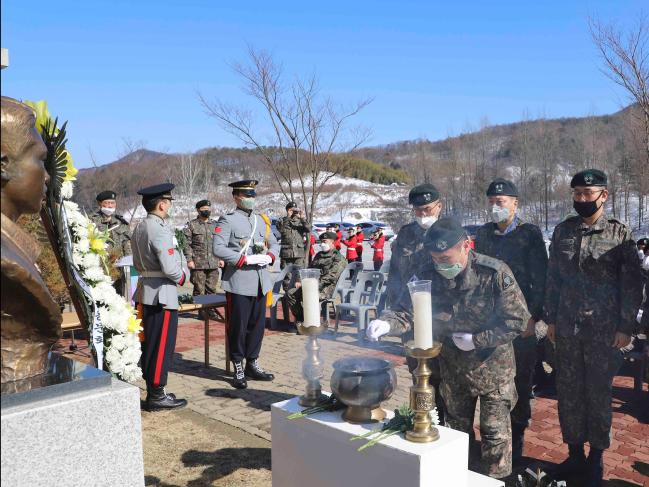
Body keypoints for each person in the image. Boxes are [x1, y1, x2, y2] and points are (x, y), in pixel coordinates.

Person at [367, 217, 529, 480]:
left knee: (494, 435)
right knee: (455, 433)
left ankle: (495, 482)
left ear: (466, 246)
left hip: (493, 369)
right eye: (436, 259)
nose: (442, 265)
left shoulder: (494, 273)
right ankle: (456, 477)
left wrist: (478, 339)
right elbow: (405, 311)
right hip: (453, 369)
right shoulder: (426, 274)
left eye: (447, 258)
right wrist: (386, 323)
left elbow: (517, 321)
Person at [545, 169, 642, 486]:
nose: (582, 199)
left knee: (598, 394)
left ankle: (596, 460)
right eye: (577, 194)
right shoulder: (563, 231)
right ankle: (574, 455)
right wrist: (552, 319)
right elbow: (553, 280)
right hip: (568, 328)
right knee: (569, 392)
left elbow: (631, 284)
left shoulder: (620, 234)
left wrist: (626, 326)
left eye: (588, 194)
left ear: (604, 195)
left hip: (605, 331)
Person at [474, 178, 548, 463]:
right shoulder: (483, 233)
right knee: (491, 383)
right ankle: (491, 441)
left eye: (500, 201)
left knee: (519, 383)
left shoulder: (529, 234)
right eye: (491, 201)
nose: (495, 206)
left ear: (515, 204)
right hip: (488, 324)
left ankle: (516, 443)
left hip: (520, 324)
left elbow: (540, 278)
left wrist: (534, 317)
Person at [212, 179, 280, 389]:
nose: (250, 199)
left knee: (257, 326)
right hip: (239, 282)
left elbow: (275, 243)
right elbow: (218, 247)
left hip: (261, 282)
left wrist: (270, 255)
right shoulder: (228, 220)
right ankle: (238, 366)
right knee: (238, 327)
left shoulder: (261, 220)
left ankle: (253, 362)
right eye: (246, 196)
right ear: (236, 197)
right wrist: (240, 259)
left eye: (252, 196)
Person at [132, 183, 188, 411]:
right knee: (162, 346)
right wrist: (183, 277)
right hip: (162, 294)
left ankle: (156, 390)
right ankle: (156, 394)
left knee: (151, 345)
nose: (170, 205)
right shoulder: (159, 228)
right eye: (169, 202)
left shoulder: (141, 227)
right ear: (162, 204)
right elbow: (170, 267)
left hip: (147, 289)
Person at [386, 183, 442, 307]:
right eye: (417, 210)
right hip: (407, 302)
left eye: (427, 209)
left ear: (439, 206)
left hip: (438, 304)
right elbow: (394, 270)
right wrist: (392, 301)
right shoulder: (405, 233)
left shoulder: (449, 233)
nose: (422, 214)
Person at [286, 231, 347, 323]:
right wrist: (300, 280)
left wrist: (313, 285)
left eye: (325, 241)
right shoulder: (319, 255)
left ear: (332, 242)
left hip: (326, 288)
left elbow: (331, 276)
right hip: (311, 286)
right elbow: (308, 270)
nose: (322, 244)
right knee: (290, 293)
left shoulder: (338, 258)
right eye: (321, 241)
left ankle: (310, 322)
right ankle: (302, 319)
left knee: (309, 295)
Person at [182, 199, 223, 318]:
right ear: (198, 210)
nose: (207, 211)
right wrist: (189, 260)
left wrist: (221, 258)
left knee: (211, 289)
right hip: (198, 263)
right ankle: (201, 312)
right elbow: (186, 244)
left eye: (208, 210)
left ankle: (211, 311)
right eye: (204, 210)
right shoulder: (191, 225)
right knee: (199, 289)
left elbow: (219, 243)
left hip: (213, 263)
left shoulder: (215, 225)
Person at [90, 190, 132, 295]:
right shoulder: (92, 221)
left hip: (119, 270)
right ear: (100, 204)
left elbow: (127, 244)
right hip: (100, 269)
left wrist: (129, 263)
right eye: (107, 203)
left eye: (112, 203)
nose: (110, 206)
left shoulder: (121, 222)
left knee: (119, 298)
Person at [277, 201, 310, 289]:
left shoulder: (300, 221)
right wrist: (288, 217)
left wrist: (303, 218)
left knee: (299, 276)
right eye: (292, 210)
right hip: (286, 253)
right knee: (287, 276)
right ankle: (287, 297)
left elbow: (308, 229)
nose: (294, 212)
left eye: (295, 210)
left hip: (299, 253)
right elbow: (281, 230)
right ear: (287, 210)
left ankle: (297, 297)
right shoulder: (282, 220)